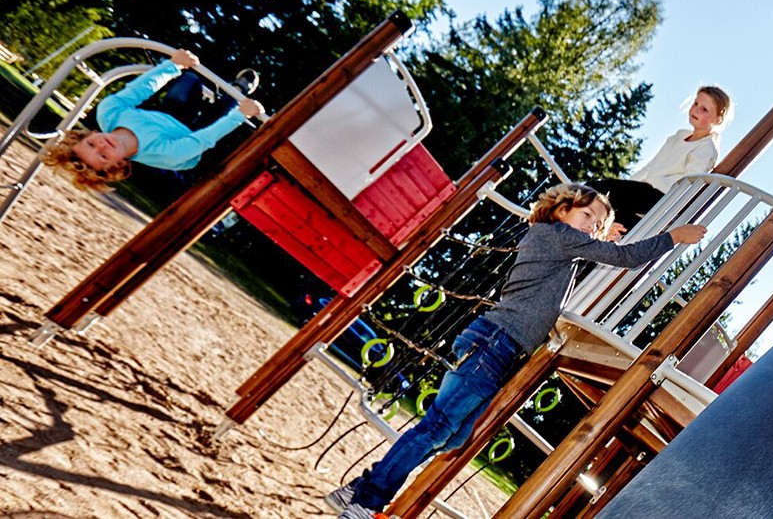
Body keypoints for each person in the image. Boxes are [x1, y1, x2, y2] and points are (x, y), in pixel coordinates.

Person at [326, 183, 707, 518]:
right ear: (563, 209)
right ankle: (368, 502)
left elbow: (597, 252)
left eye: (599, 222)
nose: (593, 223)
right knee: (438, 427)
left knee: (453, 436)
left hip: (500, 347)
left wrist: (602, 239)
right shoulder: (555, 234)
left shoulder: (559, 241)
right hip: (494, 342)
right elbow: (623, 258)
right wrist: (673, 236)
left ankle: (359, 489)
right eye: (587, 213)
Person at [39, 49, 264, 190]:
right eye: (104, 155)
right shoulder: (164, 154)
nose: (101, 145)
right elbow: (204, 139)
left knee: (189, 80)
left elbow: (139, 88)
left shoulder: (109, 114)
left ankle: (206, 87)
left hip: (169, 115)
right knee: (225, 111)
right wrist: (239, 116)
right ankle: (238, 90)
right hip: (192, 140)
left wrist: (173, 65)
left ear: (90, 134)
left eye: (91, 144)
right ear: (118, 164)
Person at [590, 85, 733, 228]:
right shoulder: (679, 135)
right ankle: (628, 229)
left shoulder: (706, 147)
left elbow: (691, 181)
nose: (696, 109)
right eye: (696, 103)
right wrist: (627, 184)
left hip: (662, 197)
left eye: (704, 109)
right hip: (645, 190)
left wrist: (667, 211)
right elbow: (651, 167)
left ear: (717, 120)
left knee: (596, 190)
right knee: (610, 208)